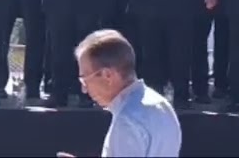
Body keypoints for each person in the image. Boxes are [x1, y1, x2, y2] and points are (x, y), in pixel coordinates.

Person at [76, 29, 181, 157]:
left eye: (84, 79)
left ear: (107, 75)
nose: (84, 89)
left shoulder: (126, 121)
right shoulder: (163, 105)